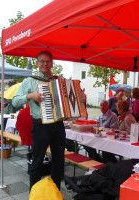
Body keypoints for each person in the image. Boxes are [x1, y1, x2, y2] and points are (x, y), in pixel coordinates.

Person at [12, 50, 86, 190]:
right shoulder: (29, 81)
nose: (45, 64)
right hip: (40, 125)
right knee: (37, 161)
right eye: (42, 61)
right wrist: (30, 96)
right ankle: (34, 194)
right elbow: (15, 101)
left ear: (52, 63)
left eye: (48, 61)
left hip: (58, 125)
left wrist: (81, 101)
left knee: (59, 161)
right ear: (37, 63)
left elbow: (73, 106)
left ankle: (55, 192)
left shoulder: (59, 81)